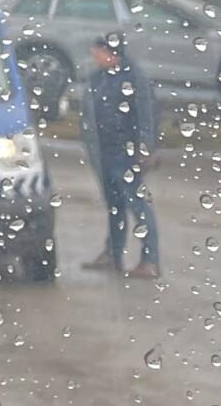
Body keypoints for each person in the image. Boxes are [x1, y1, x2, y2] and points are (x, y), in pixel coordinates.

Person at [79, 31, 160, 277]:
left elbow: (146, 115)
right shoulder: (97, 78)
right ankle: (113, 255)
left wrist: (144, 148)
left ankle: (150, 261)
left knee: (138, 206)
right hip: (103, 153)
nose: (94, 56)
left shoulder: (135, 78)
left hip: (126, 154)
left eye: (98, 52)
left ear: (111, 52)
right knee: (114, 206)